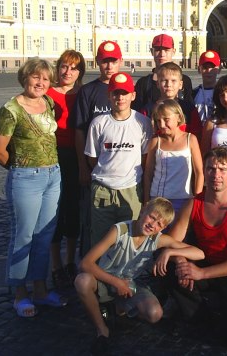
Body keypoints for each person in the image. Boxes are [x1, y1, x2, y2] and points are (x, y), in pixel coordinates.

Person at [75, 197, 205, 354]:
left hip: (130, 283)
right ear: (143, 210)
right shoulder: (119, 230)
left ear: (163, 228)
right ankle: (102, 330)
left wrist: (169, 252)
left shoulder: (158, 239)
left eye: (159, 224)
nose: (152, 224)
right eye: (152, 217)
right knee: (82, 281)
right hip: (105, 279)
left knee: (155, 314)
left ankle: (115, 308)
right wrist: (116, 282)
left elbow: (200, 253)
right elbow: (85, 263)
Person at [0, 58, 66, 318]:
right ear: (25, 78)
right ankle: (20, 293)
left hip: (53, 175)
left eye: (45, 78)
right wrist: (20, 169)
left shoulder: (48, 103)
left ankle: (41, 289)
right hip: (26, 178)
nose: (41, 82)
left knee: (44, 236)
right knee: (23, 236)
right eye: (36, 77)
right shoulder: (10, 110)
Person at [167, 147, 227, 350]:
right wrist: (181, 262)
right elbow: (170, 242)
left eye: (222, 169)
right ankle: (199, 315)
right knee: (168, 264)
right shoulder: (194, 203)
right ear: (204, 171)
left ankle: (220, 311)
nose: (216, 175)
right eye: (211, 169)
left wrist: (201, 273)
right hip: (204, 261)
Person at [83, 72, 153, 252]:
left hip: (131, 190)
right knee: (100, 240)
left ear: (133, 95)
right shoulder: (98, 123)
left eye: (124, 93)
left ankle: (127, 270)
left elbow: (145, 157)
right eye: (116, 93)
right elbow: (92, 158)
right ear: (109, 95)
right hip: (103, 190)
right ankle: (99, 269)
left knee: (131, 239)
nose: (120, 98)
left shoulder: (143, 122)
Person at [74, 40, 123, 256]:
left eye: (113, 61)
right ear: (97, 62)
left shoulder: (127, 89)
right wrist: (83, 167)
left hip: (122, 171)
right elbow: (79, 131)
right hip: (95, 169)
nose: (109, 66)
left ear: (120, 61)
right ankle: (89, 263)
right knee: (92, 220)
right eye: (104, 61)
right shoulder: (88, 91)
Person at [46, 50, 85, 289]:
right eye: (64, 66)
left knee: (72, 210)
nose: (67, 71)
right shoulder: (47, 94)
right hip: (52, 156)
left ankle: (70, 260)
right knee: (53, 212)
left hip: (76, 157)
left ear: (80, 72)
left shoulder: (83, 94)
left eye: (73, 68)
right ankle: (55, 265)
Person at [143, 99, 204, 213]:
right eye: (158, 121)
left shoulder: (190, 139)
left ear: (179, 117)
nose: (162, 125)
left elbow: (199, 172)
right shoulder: (156, 141)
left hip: (183, 199)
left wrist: (197, 201)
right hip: (158, 199)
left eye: (166, 119)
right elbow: (148, 174)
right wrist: (146, 201)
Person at [133, 34, 193, 111]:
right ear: (152, 52)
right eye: (158, 50)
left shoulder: (185, 80)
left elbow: (189, 109)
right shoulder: (143, 83)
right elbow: (137, 112)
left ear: (173, 51)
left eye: (166, 50)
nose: (162, 54)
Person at [139, 62, 200, 136]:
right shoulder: (148, 110)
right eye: (164, 81)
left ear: (180, 84)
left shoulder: (189, 109)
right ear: (157, 84)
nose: (169, 85)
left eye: (173, 81)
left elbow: (197, 134)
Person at [192, 50, 221, 128]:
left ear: (219, 69)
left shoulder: (223, 93)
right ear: (199, 69)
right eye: (205, 67)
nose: (209, 71)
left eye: (212, 67)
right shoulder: (194, 94)